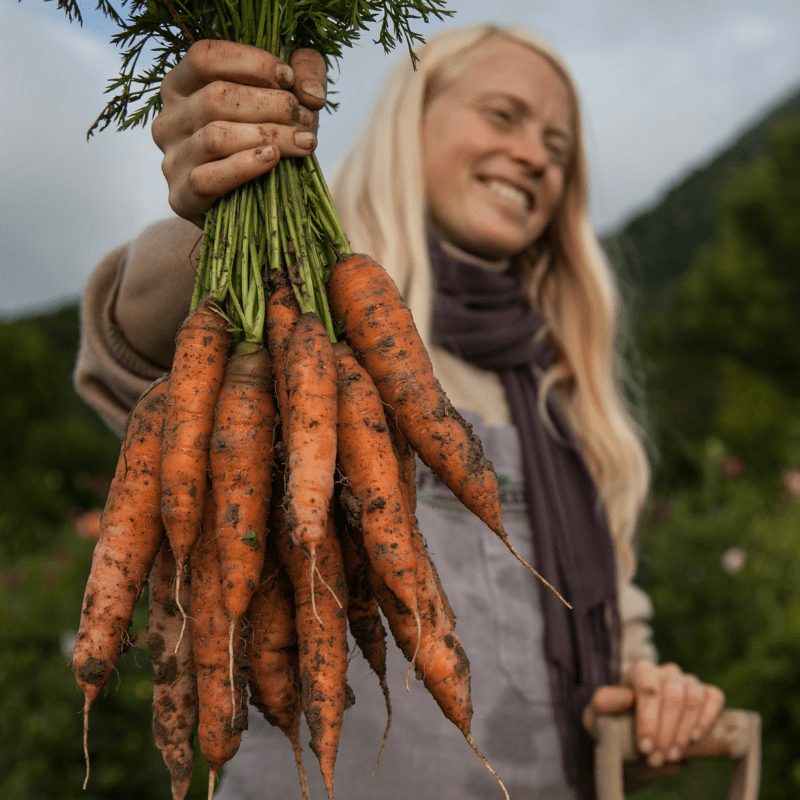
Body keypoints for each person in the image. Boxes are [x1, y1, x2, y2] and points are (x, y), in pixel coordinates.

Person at [75, 24, 726, 800]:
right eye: (504, 116)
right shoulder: (305, 306)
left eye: (559, 144)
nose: (535, 155)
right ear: (411, 121)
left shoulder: (563, 385)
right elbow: (143, 339)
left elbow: (611, 617)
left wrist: (648, 702)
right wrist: (215, 199)